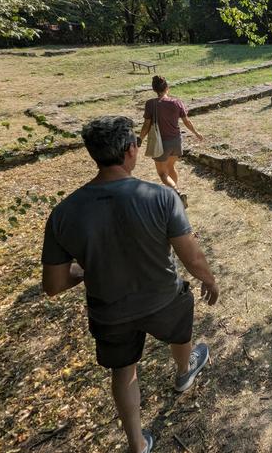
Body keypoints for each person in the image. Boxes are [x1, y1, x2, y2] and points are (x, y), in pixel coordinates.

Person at [41, 116, 220, 453]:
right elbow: (192, 257)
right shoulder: (161, 197)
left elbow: (53, 284)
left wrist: (86, 268)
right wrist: (209, 280)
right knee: (181, 334)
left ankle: (137, 445)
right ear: (130, 151)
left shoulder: (64, 213)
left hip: (110, 311)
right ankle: (184, 370)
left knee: (124, 374)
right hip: (164, 298)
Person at [139, 76, 203, 200]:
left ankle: (176, 193)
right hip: (176, 141)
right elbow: (187, 121)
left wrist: (140, 138)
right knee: (171, 167)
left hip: (161, 143)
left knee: (163, 173)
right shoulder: (177, 102)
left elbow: (146, 125)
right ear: (167, 88)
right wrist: (196, 133)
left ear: (154, 89)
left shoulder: (150, 104)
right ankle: (174, 192)